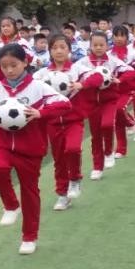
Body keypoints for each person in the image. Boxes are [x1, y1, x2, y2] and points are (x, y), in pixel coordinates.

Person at [0, 44, 70, 255]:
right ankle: (10, 204)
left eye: (13, 65)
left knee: (30, 190)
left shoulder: (38, 87)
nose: (9, 70)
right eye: (4, 66)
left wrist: (40, 112)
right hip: (3, 143)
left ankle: (29, 236)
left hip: (31, 148)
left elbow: (64, 104)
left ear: (25, 63)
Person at [36, 35, 94, 210]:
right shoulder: (43, 74)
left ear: (69, 50)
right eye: (54, 48)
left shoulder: (77, 69)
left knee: (73, 149)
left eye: (62, 47)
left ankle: (75, 178)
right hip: (52, 123)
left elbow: (97, 77)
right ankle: (62, 195)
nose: (59, 51)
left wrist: (81, 85)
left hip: (73, 120)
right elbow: (30, 86)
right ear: (50, 51)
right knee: (59, 160)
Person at [77, 32, 132, 179]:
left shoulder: (113, 61)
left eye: (102, 45)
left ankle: (109, 152)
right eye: (95, 45)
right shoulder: (83, 62)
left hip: (109, 101)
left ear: (107, 45)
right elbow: (73, 74)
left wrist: (119, 79)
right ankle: (97, 167)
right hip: (91, 104)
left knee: (107, 125)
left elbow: (130, 71)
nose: (99, 48)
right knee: (96, 135)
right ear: (90, 46)